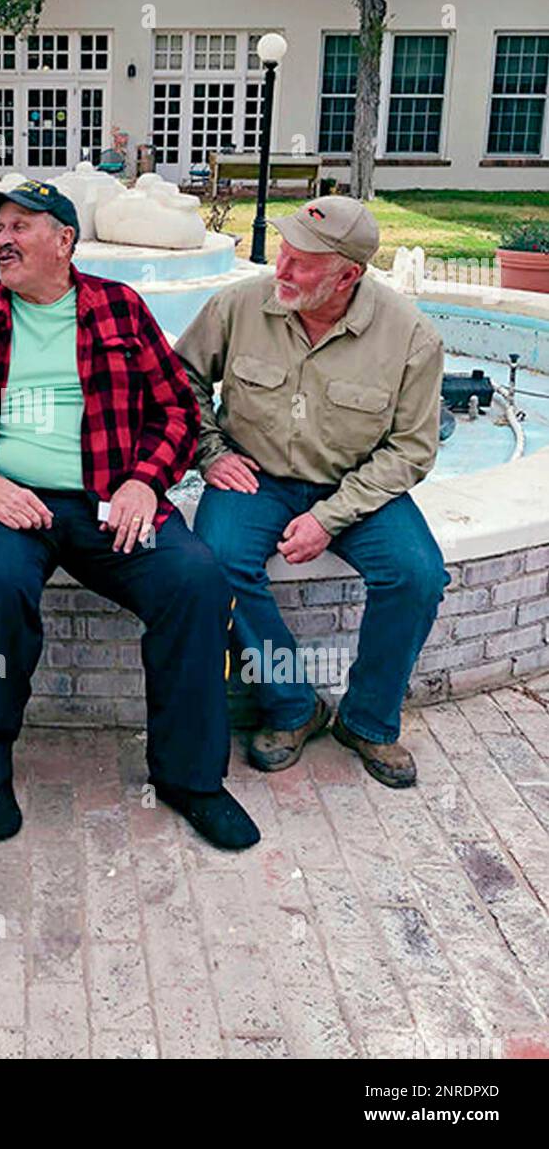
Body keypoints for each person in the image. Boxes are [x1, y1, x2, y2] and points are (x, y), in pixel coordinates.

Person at [0, 181, 260, 851]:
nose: (3, 240)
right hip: (6, 500)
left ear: (64, 241)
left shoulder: (119, 310)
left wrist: (145, 482)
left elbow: (178, 413)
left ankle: (191, 780)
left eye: (20, 227)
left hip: (109, 499)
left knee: (195, 581)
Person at [176, 196, 448, 787]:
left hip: (357, 484)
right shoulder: (239, 304)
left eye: (302, 264)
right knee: (217, 563)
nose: (282, 270)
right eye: (284, 254)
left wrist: (330, 517)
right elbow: (180, 381)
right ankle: (293, 706)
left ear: (348, 275)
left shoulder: (412, 338)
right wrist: (212, 450)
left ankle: (370, 721)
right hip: (256, 475)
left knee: (418, 574)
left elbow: (412, 449)